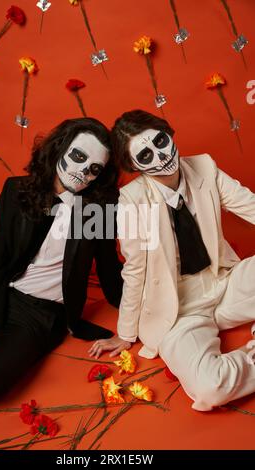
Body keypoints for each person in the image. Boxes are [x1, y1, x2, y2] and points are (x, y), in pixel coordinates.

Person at [88, 109, 255, 412]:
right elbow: (135, 269)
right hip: (178, 311)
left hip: (225, 282)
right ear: (134, 167)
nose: (161, 156)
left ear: (169, 132)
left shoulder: (204, 167)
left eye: (161, 141)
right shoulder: (132, 201)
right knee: (210, 387)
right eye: (146, 155)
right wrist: (126, 333)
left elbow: (250, 205)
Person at [0, 117, 123, 402]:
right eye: (79, 157)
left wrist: (138, 325)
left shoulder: (98, 209)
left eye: (94, 169)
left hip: (38, 314)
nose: (83, 171)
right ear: (59, 149)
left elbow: (109, 271)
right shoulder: (16, 190)